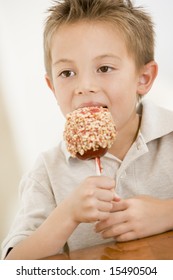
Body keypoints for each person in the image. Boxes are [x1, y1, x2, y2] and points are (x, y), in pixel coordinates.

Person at [1, 0, 173, 260]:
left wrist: (166, 213)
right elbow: (13, 265)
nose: (85, 86)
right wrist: (66, 215)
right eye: (67, 73)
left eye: (104, 68)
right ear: (52, 89)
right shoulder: (46, 172)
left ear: (143, 78)